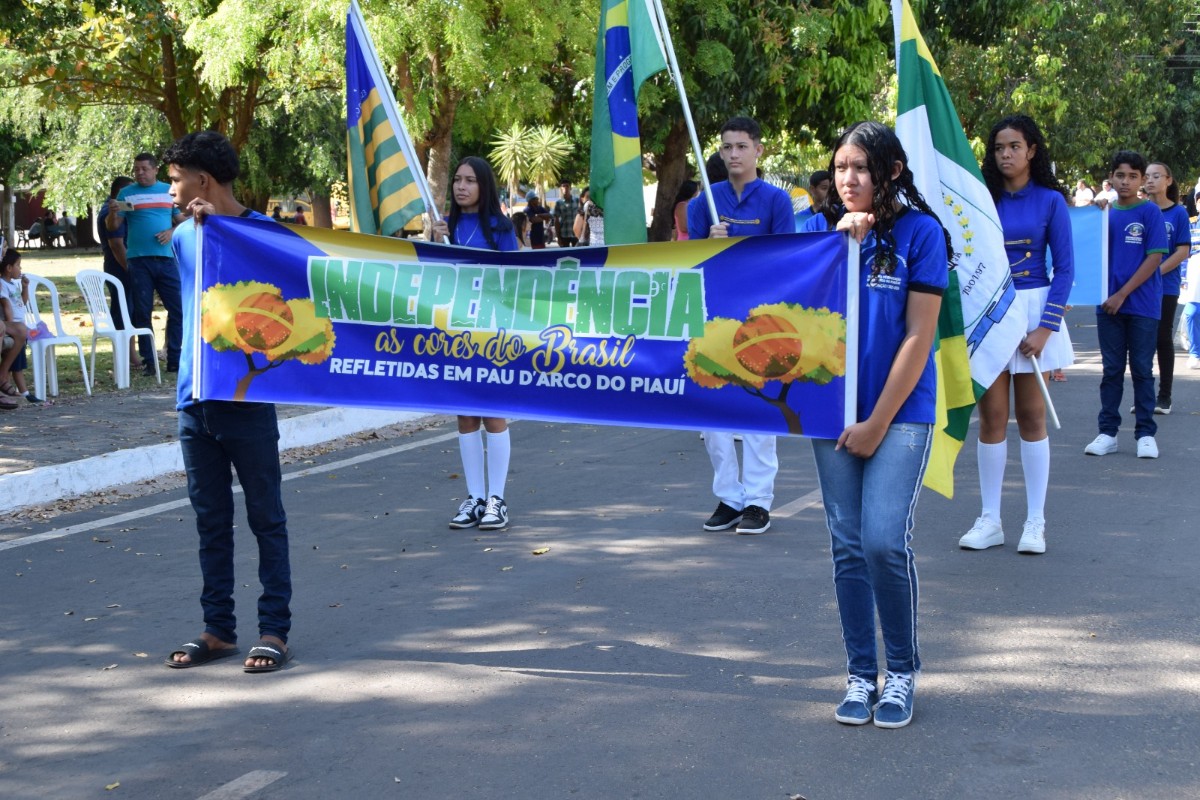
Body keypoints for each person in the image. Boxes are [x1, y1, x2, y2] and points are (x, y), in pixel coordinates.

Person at [803, 121, 948, 729]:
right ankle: (862, 673)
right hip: (830, 413)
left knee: (884, 540)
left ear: (890, 171)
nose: (848, 179)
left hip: (900, 413)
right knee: (847, 547)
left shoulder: (921, 233)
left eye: (861, 167)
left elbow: (919, 336)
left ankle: (903, 671)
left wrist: (876, 423)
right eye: (840, 168)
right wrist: (840, 248)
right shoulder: (817, 233)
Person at [162, 130, 293, 673]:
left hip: (246, 399)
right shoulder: (181, 238)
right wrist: (200, 228)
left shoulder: (264, 233)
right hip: (194, 400)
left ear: (203, 180)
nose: (170, 191)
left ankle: (274, 630)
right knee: (210, 521)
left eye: (175, 180)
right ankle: (217, 630)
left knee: (266, 517)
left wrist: (220, 230)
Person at [959, 115, 1074, 556]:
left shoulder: (1051, 201)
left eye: (1014, 146)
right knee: (990, 419)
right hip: (990, 308)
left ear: (1032, 150)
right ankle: (990, 519)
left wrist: (1046, 328)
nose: (1005, 154)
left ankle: (1035, 522)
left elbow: (1064, 269)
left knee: (1031, 418)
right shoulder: (981, 200)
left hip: (1033, 310)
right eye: (998, 147)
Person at [686, 116, 795, 535]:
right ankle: (729, 498)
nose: (733, 154)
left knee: (756, 410)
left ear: (758, 151)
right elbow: (691, 264)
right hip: (713, 318)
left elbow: (789, 260)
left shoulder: (775, 202)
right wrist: (709, 246)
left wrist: (743, 247)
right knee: (712, 411)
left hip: (761, 321)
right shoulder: (704, 203)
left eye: (741, 147)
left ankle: (758, 501)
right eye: (726, 147)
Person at [431, 156, 519, 531]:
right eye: (457, 180)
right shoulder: (444, 227)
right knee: (465, 415)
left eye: (469, 180)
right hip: (455, 334)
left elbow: (516, 279)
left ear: (484, 186)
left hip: (492, 333)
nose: (461, 186)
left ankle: (497, 499)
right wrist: (433, 245)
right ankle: (474, 497)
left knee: (491, 413)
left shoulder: (500, 227)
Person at [1084, 151, 1167, 459]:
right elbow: (1087, 251)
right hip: (1106, 306)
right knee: (1112, 371)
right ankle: (1107, 433)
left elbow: (1155, 258)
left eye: (1133, 176)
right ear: (1111, 178)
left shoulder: (1150, 213)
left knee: (1143, 370)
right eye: (1121, 175)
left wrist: (1122, 294)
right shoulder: (1103, 213)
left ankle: (1145, 434)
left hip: (1142, 305)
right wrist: (1095, 213)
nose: (1126, 181)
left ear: (1141, 180)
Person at [107, 152, 186, 375]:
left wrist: (171, 231)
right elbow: (114, 227)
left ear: (154, 170)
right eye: (136, 169)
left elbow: (183, 222)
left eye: (144, 169)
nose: (140, 173)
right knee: (142, 312)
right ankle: (149, 361)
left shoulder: (167, 191)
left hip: (167, 259)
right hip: (138, 260)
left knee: (177, 309)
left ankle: (174, 358)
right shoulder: (126, 193)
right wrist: (113, 214)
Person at [1142, 162, 1189, 415]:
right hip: (1140, 287)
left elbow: (1183, 251)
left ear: (1168, 180)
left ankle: (1165, 397)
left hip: (1165, 286)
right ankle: (1144, 396)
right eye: (1147, 176)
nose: (1150, 180)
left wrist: (1154, 272)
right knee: (1142, 340)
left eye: (1156, 176)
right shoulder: (1141, 210)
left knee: (1162, 338)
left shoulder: (1178, 213)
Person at [97, 176, 142, 372]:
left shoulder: (116, 209)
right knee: (123, 310)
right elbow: (117, 244)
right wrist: (131, 270)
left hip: (119, 266)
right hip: (120, 267)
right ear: (120, 193)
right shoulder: (111, 211)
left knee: (128, 310)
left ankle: (131, 355)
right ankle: (128, 356)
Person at [0, 249, 35, 403]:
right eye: (18, 265)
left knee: (18, 361)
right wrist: (12, 325)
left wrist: (25, 287)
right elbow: (7, 306)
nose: (20, 269)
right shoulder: (2, 284)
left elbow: (21, 303)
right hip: (13, 324)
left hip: (20, 324)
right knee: (17, 364)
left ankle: (10, 385)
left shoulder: (13, 284)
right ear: (9, 268)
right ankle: (21, 391)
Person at [552, 181, 580, 247]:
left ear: (570, 188)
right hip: (564, 234)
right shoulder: (558, 203)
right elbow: (556, 221)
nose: (565, 188)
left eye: (567, 186)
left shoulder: (577, 200)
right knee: (565, 255)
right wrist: (558, 237)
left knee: (576, 254)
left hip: (576, 234)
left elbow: (581, 216)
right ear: (561, 189)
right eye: (563, 186)